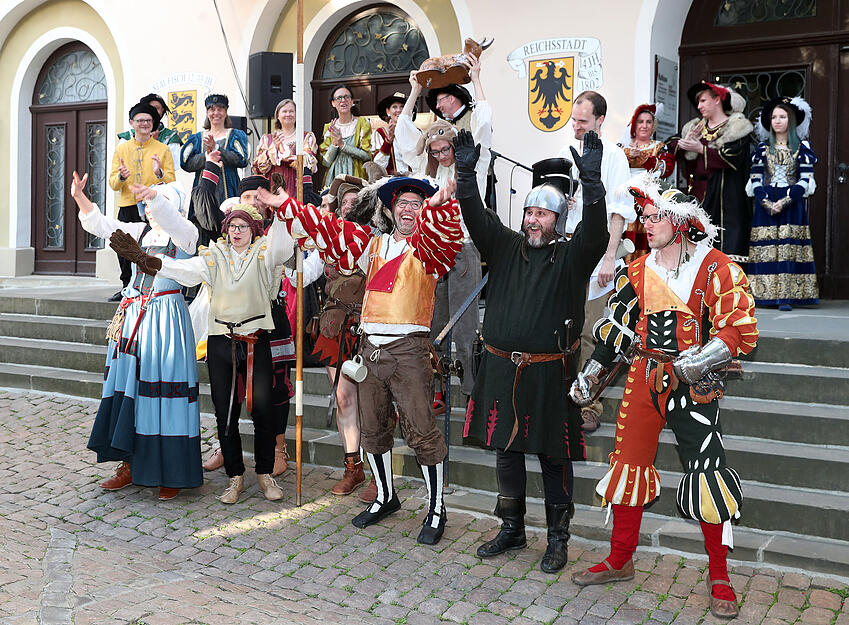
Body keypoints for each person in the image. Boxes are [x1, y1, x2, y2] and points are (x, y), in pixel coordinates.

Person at [569, 173, 758, 620]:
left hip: (693, 383)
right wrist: (593, 374)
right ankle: (620, 558)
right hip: (642, 377)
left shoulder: (716, 267)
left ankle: (719, 574)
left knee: (709, 474)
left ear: (681, 221)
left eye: (655, 218)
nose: (646, 225)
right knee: (628, 466)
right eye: (644, 217)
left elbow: (738, 328)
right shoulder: (636, 269)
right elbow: (617, 330)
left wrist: (701, 359)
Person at [264, 174, 463, 545]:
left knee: (421, 431)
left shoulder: (427, 250)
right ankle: (386, 496)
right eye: (402, 202)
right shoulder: (370, 244)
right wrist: (286, 207)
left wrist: (440, 207)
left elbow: (444, 236)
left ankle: (437, 506)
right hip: (370, 349)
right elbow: (329, 229)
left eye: (416, 203)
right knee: (372, 428)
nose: (408, 209)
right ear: (390, 209)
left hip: (409, 350)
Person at [455, 129, 608, 573]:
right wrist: (466, 174)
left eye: (543, 213)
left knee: (553, 455)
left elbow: (596, 234)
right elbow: (475, 215)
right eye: (529, 212)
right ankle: (512, 528)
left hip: (550, 373)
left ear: (558, 220)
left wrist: (593, 182)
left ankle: (558, 537)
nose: (533, 220)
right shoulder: (503, 247)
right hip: (502, 367)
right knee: (505, 449)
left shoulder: (572, 257)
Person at [111, 198, 298, 505]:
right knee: (225, 413)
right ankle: (235, 476)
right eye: (232, 227)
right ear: (226, 230)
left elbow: (283, 245)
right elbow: (183, 269)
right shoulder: (215, 256)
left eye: (243, 227)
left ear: (253, 230)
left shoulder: (266, 254)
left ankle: (264, 473)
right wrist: (148, 260)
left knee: (263, 411)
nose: (237, 232)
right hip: (222, 342)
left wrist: (282, 209)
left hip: (256, 341)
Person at [72, 171, 201, 501]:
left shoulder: (186, 234)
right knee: (130, 391)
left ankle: (170, 471)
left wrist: (155, 197)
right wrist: (80, 198)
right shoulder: (139, 231)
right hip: (133, 319)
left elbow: (171, 220)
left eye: (153, 202)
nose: (147, 208)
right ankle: (130, 463)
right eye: (144, 203)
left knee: (162, 396)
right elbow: (101, 225)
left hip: (166, 320)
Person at [187, 152, 297, 477]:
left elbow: (287, 256)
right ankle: (226, 447)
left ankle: (279, 448)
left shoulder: (275, 233)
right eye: (247, 196)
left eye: (258, 197)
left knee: (274, 389)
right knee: (229, 388)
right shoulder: (231, 237)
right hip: (230, 328)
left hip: (271, 322)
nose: (253, 201)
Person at [395, 57, 492, 399]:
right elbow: (403, 134)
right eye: (435, 150)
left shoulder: (472, 164)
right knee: (431, 321)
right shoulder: (427, 168)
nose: (441, 154)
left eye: (445, 148)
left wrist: (477, 78)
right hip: (432, 251)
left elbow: (483, 124)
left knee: (465, 326)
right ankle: (431, 391)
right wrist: (415, 91)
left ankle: (471, 397)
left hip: (463, 247)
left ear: (454, 145)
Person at [557, 91, 634, 433]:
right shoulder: (565, 154)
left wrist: (608, 257)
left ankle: (591, 402)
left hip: (601, 253)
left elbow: (619, 212)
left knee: (592, 330)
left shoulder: (615, 158)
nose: (576, 125)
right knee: (564, 329)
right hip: (568, 250)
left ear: (600, 121)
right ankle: (560, 396)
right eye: (574, 120)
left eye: (583, 121)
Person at [668, 81, 753, 263]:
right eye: (698, 102)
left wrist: (700, 149)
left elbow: (733, 158)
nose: (699, 106)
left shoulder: (737, 128)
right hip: (699, 196)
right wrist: (685, 144)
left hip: (727, 200)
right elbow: (673, 145)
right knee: (697, 250)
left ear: (717, 100)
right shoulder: (695, 128)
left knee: (726, 249)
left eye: (703, 100)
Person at [746, 96, 818, 310]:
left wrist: (785, 201)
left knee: (787, 248)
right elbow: (756, 178)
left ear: (791, 120)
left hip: (791, 204)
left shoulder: (802, 148)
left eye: (782, 116)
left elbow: (805, 179)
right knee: (765, 248)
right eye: (774, 117)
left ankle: (786, 296)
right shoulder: (761, 149)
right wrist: (766, 202)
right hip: (765, 204)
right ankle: (762, 294)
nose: (777, 121)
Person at [108, 101, 176, 301]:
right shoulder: (122, 149)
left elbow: (171, 182)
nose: (145, 124)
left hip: (153, 208)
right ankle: (125, 286)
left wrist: (159, 172)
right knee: (122, 247)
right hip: (128, 206)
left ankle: (149, 287)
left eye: (148, 120)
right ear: (132, 123)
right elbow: (113, 184)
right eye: (140, 120)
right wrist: (121, 177)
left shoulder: (162, 149)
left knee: (150, 248)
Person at [619, 103, 675, 262]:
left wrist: (643, 158)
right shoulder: (621, 147)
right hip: (624, 200)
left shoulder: (659, 147)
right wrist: (628, 155)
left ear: (653, 125)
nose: (644, 125)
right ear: (634, 124)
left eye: (648, 122)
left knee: (646, 237)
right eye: (640, 121)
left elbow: (666, 169)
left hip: (647, 202)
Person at [181, 94, 249, 215]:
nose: (216, 113)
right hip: (203, 191)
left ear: (226, 112)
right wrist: (207, 155)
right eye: (212, 109)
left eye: (220, 109)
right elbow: (186, 164)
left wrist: (216, 148)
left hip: (229, 189)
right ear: (207, 113)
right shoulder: (197, 138)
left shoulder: (236, 135)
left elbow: (242, 160)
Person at [252, 99, 319, 197]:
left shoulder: (306, 137)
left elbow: (310, 163)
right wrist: (273, 149)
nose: (288, 114)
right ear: (278, 116)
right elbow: (258, 166)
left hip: (297, 185)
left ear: (297, 115)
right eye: (284, 111)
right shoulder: (268, 139)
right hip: (273, 184)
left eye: (291, 111)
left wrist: (285, 153)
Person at [319, 85, 372, 187]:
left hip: (357, 177)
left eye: (346, 97)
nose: (343, 100)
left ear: (352, 101)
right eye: (339, 98)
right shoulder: (329, 127)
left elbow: (367, 156)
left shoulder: (362, 123)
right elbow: (326, 162)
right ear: (333, 103)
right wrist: (334, 143)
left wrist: (342, 145)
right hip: (334, 178)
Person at [119, 93, 183, 167]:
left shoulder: (171, 137)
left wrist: (155, 145)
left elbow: (172, 166)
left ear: (162, 110)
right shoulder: (128, 136)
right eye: (149, 107)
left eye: (157, 108)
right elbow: (121, 163)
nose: (153, 111)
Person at [371, 92, 412, 176]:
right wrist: (388, 141)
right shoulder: (380, 133)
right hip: (390, 183)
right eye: (394, 107)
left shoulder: (416, 132)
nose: (399, 110)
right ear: (388, 111)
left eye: (402, 107)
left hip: (414, 180)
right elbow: (378, 165)